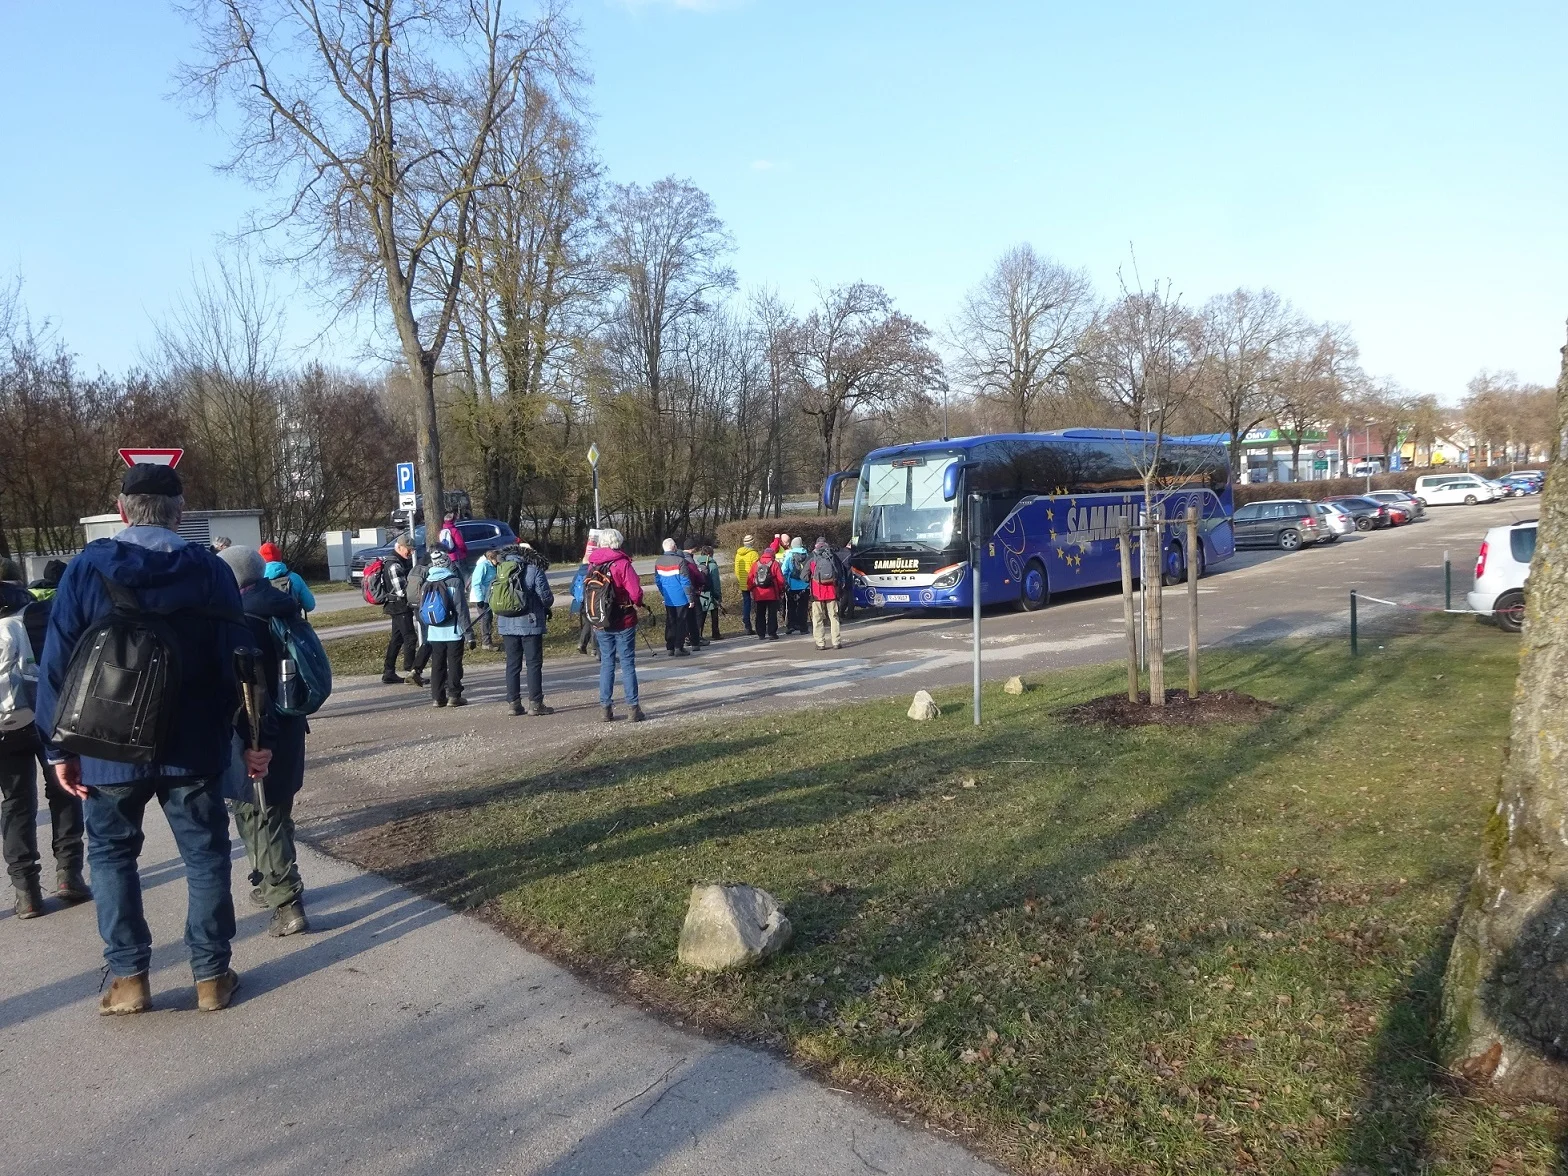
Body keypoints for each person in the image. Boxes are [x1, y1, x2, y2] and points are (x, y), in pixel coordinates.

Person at [36, 463, 271, 1015]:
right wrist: (256, 736)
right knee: (205, 855)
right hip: (192, 744)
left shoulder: (85, 569)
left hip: (106, 745)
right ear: (180, 512)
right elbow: (242, 661)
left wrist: (58, 750)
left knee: (114, 856)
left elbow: (57, 665)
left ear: (121, 512)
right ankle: (212, 977)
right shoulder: (210, 572)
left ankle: (129, 981)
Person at [216, 546, 309, 937]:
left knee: (257, 815)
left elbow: (243, 687)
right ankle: (274, 881)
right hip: (290, 725)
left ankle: (286, 902)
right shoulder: (283, 606)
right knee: (278, 810)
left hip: (254, 730)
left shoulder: (240, 619)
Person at [0, 559, 87, 918]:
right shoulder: (37, 611)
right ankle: (68, 874)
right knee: (64, 790)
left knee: (16, 802)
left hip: (4, 727)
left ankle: (27, 892)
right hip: (45, 714)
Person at [587, 529, 646, 722]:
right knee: (627, 663)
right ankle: (633, 708)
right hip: (624, 618)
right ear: (618, 542)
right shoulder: (622, 564)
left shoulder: (593, 563)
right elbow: (636, 592)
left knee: (607, 664)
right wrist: (637, 603)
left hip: (600, 621)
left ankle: (606, 708)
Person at [496, 543, 555, 717]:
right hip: (530, 623)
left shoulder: (501, 569)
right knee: (533, 664)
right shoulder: (534, 570)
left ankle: (513, 704)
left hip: (506, 624)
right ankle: (535, 704)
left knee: (512, 665)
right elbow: (547, 598)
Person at [419, 551, 470, 707]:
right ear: (447, 563)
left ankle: (437, 697)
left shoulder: (426, 583)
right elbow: (461, 610)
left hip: (434, 632)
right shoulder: (454, 582)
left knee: (437, 664)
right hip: (453, 631)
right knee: (454, 663)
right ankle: (454, 696)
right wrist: (468, 632)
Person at [380, 535, 418, 684]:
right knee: (410, 638)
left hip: (395, 605)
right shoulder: (394, 565)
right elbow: (401, 591)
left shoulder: (395, 561)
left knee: (397, 639)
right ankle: (411, 673)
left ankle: (388, 672)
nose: (410, 553)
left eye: (412, 550)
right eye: (408, 550)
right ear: (400, 547)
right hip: (399, 606)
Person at [654, 539, 694, 657]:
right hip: (680, 596)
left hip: (668, 597)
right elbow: (685, 582)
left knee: (670, 621)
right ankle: (678, 647)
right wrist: (690, 598)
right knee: (681, 622)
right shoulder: (680, 561)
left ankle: (670, 646)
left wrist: (663, 593)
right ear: (674, 547)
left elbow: (658, 581)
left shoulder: (658, 561)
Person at [259, 543, 316, 615]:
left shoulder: (257, 581)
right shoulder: (295, 578)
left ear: (260, 560)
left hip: (266, 625)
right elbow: (310, 606)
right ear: (280, 558)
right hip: (293, 624)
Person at [808, 536, 843, 651]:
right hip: (831, 591)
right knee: (834, 616)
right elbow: (840, 572)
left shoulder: (812, 556)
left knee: (817, 617)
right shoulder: (832, 556)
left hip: (817, 592)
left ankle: (820, 643)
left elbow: (803, 576)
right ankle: (836, 642)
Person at [570, 533, 600, 660]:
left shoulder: (578, 573)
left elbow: (571, 589)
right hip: (591, 601)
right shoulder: (592, 571)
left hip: (580, 603)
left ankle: (582, 644)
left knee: (588, 622)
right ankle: (594, 648)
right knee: (594, 624)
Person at [747, 541, 784, 641]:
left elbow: (750, 578)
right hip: (772, 593)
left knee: (760, 614)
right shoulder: (775, 564)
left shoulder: (756, 564)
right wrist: (781, 591)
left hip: (758, 594)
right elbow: (780, 580)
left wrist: (750, 589)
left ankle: (761, 634)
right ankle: (772, 633)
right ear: (773, 555)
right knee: (772, 614)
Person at [469, 548, 500, 651]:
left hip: (489, 597)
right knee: (485, 618)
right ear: (491, 558)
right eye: (497, 558)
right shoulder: (483, 566)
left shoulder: (493, 566)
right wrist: (480, 599)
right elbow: (476, 583)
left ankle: (487, 641)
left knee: (489, 617)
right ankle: (486, 643)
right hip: (481, 597)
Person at [782, 536, 811, 635]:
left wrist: (786, 582)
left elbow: (784, 570)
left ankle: (791, 626)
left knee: (791, 606)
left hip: (792, 586)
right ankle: (803, 627)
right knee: (803, 607)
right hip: (805, 585)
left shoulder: (789, 555)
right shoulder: (806, 554)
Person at [680, 543, 706, 650]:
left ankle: (685, 636)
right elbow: (696, 575)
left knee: (683, 617)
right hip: (692, 591)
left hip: (679, 593)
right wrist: (702, 582)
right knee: (696, 615)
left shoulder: (677, 559)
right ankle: (695, 638)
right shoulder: (689, 561)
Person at [733, 535, 758, 636]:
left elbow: (737, 570)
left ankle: (747, 625)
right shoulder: (754, 554)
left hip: (743, 582)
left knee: (746, 604)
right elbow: (756, 570)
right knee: (756, 605)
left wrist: (741, 580)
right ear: (752, 543)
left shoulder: (738, 554)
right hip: (753, 583)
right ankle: (758, 625)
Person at [697, 544, 722, 640]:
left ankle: (699, 634)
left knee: (701, 615)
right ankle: (715, 633)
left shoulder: (698, 564)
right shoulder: (713, 565)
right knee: (714, 614)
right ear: (711, 554)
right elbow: (716, 582)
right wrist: (718, 595)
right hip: (711, 593)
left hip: (701, 593)